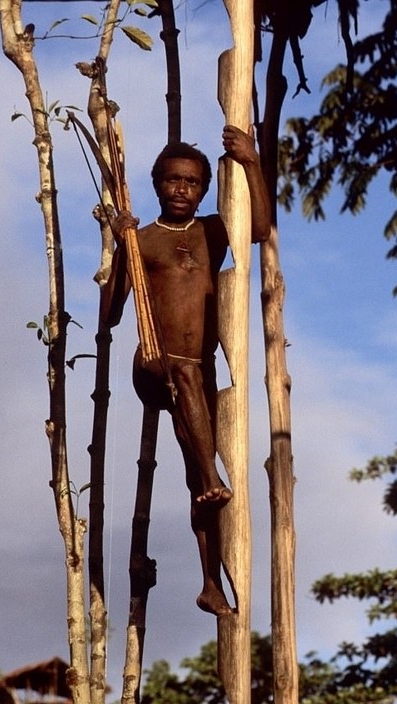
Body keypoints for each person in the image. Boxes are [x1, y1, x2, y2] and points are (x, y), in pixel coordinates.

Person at [113, 125, 271, 616]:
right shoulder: (142, 240)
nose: (182, 189)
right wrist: (120, 246)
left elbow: (261, 230)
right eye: (173, 180)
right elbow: (109, 314)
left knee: (199, 486)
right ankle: (209, 474)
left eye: (193, 182)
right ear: (157, 183)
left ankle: (210, 584)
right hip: (155, 364)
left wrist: (250, 162)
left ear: (203, 189)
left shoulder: (211, 232)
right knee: (186, 394)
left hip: (199, 375)